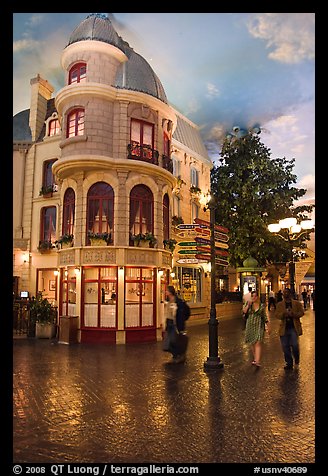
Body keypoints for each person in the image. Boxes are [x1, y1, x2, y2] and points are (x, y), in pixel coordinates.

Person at [275, 288, 304, 370]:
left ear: (290, 294)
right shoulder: (280, 304)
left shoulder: (296, 303)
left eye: (287, 292)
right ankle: (289, 363)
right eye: (284, 293)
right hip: (284, 328)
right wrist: (284, 314)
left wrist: (293, 314)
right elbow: (277, 315)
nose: (285, 294)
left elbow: (301, 312)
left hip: (293, 328)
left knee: (295, 345)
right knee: (285, 346)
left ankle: (297, 359)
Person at [243, 290, 270, 367]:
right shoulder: (248, 304)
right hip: (250, 325)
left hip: (259, 326)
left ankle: (257, 360)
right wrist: (248, 305)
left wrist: (268, 326)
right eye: (252, 296)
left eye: (255, 296)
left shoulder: (261, 306)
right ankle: (255, 358)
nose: (254, 298)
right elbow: (244, 312)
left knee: (258, 342)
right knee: (252, 342)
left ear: (257, 297)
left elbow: (264, 317)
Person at [163, 285, 189, 364]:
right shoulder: (168, 301)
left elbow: (185, 313)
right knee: (169, 342)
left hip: (176, 324)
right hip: (169, 323)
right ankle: (175, 356)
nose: (165, 292)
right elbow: (167, 313)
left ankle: (180, 355)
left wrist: (181, 321)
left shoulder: (178, 302)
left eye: (166, 290)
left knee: (175, 340)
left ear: (170, 292)